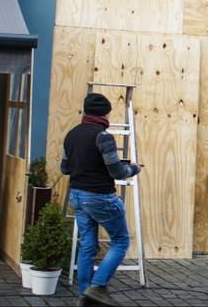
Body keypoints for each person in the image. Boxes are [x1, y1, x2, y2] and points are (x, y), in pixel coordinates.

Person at [61, 93, 142, 306]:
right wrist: (134, 168)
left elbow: (65, 167)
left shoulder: (71, 135)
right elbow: (116, 171)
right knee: (121, 241)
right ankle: (98, 286)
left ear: (86, 111)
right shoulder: (103, 137)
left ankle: (84, 297)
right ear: (104, 113)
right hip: (100, 197)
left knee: (87, 245)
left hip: (77, 196)